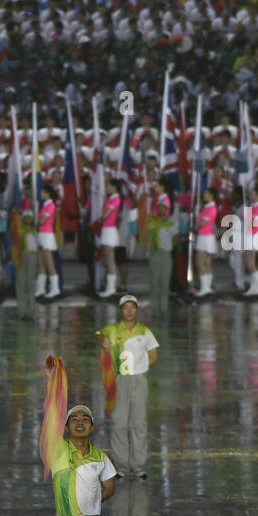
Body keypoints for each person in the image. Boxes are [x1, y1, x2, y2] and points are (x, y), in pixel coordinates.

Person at [94, 295, 159, 479]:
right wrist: (104, 341)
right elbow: (98, 334)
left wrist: (139, 367)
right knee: (119, 422)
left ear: (137, 310)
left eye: (133, 307)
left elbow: (154, 356)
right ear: (120, 310)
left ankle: (138, 466)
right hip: (119, 380)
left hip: (139, 380)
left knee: (138, 423)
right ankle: (121, 466)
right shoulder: (113, 330)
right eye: (126, 307)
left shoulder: (144, 331)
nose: (130, 310)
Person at [146, 180, 174, 313]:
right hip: (155, 253)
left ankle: (163, 310)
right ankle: (154, 310)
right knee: (154, 283)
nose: (162, 209)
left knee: (164, 284)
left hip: (165, 253)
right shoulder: (152, 221)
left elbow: (175, 238)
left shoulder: (170, 224)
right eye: (160, 207)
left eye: (164, 207)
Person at [36, 184, 60, 299]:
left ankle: (55, 289)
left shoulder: (50, 205)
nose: (41, 194)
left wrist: (36, 220)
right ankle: (40, 289)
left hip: (47, 235)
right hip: (41, 234)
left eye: (43, 192)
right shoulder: (44, 205)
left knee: (49, 263)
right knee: (40, 263)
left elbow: (42, 221)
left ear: (48, 194)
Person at [99, 179, 121, 297]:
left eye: (108, 186)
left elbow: (106, 214)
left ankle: (111, 288)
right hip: (106, 229)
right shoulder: (109, 199)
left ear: (114, 187)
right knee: (107, 260)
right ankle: (109, 287)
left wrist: (101, 216)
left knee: (110, 259)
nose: (107, 188)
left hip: (110, 230)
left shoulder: (116, 199)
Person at [194, 187, 218, 297]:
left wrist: (194, 224)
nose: (204, 196)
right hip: (205, 236)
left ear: (211, 196)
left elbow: (202, 223)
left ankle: (204, 287)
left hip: (205, 237)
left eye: (206, 194)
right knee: (206, 263)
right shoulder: (207, 207)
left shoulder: (211, 208)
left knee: (200, 262)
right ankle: (207, 287)